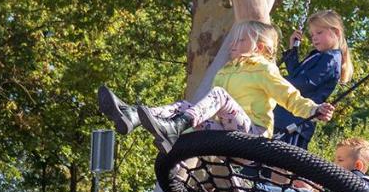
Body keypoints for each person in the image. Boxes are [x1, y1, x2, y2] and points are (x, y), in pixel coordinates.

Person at [97, 20, 334, 152]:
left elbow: (290, 97)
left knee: (218, 95)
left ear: (259, 48)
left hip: (253, 136)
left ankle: (175, 127)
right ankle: (133, 116)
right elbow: (209, 108)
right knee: (184, 105)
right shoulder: (226, 70)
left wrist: (314, 110)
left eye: (240, 40)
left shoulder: (264, 69)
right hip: (227, 132)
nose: (233, 44)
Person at [274, 10, 353, 149]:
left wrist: (273, 80)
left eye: (319, 33)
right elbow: (296, 74)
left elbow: (305, 83)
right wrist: (293, 50)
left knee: (276, 164)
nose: (314, 38)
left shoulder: (331, 59)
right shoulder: (318, 55)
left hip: (296, 122)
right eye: (312, 35)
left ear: (336, 32)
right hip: (286, 116)